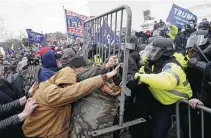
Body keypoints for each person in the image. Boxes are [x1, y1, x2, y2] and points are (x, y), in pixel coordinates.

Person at [22, 65, 120, 138]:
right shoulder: (52, 93)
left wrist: (104, 67)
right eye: (66, 84)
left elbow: (79, 78)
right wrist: (104, 77)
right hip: (41, 134)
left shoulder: (46, 84)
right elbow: (77, 89)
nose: (68, 87)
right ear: (60, 81)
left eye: (70, 84)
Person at [133, 38, 192, 138]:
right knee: (158, 132)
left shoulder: (173, 66)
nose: (151, 54)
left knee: (189, 131)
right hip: (165, 104)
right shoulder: (150, 65)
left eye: (154, 51)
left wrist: (138, 77)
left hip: (183, 105)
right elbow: (140, 73)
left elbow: (166, 82)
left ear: (164, 53)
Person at [69, 55, 121, 138]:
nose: (85, 69)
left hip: (88, 123)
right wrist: (105, 67)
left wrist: (106, 66)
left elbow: (90, 74)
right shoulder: (75, 77)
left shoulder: (87, 74)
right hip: (88, 123)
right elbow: (83, 76)